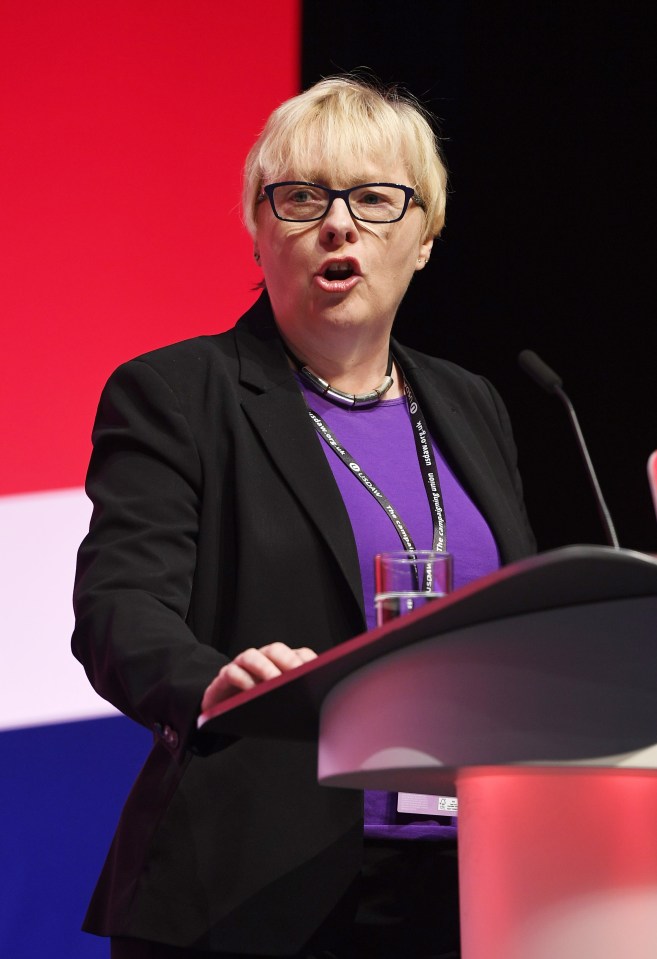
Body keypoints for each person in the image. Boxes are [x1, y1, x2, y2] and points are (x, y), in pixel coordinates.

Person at [72, 76, 536, 959]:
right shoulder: (176, 394)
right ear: (257, 229)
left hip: (474, 884)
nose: (338, 223)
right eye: (300, 198)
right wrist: (208, 681)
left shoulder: (472, 403)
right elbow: (117, 608)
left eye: (374, 198)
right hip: (256, 890)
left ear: (424, 237)